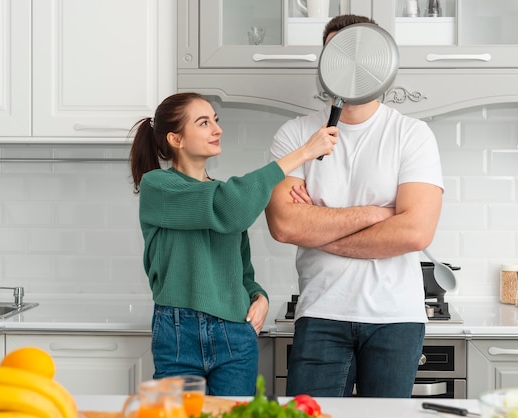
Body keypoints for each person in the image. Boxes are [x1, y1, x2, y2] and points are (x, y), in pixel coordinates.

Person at [265, 15, 444, 398]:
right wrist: (378, 215)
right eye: (337, 54)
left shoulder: (412, 135)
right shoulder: (296, 135)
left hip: (396, 317)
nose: (349, 66)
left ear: (381, 63)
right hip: (320, 313)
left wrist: (318, 228)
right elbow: (284, 226)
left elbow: (415, 232)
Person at [129, 92, 338, 395]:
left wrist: (259, 296)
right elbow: (227, 207)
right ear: (176, 139)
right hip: (178, 332)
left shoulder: (222, 194)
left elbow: (243, 272)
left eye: (216, 120)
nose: (217, 129)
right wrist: (304, 152)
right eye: (203, 123)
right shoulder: (159, 187)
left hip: (234, 332)